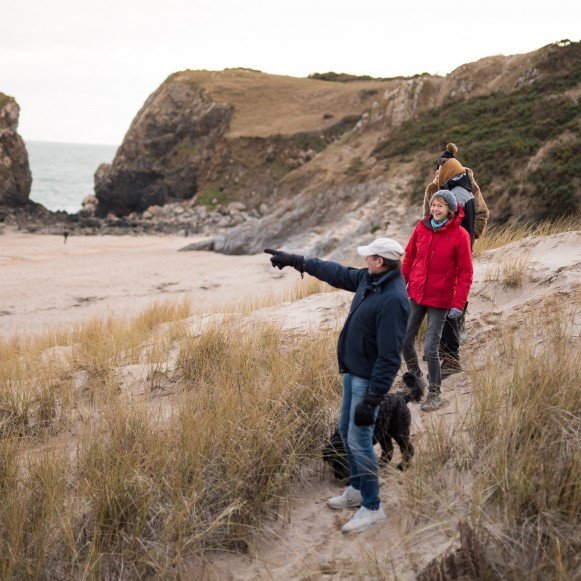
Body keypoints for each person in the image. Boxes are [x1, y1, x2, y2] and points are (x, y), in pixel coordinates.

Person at [265, 238, 409, 534]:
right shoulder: (370, 280)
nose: (364, 260)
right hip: (352, 375)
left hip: (368, 382)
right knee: (346, 433)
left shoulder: (393, 298)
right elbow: (336, 272)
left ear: (380, 261)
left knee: (359, 441)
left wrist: (373, 399)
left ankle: (372, 507)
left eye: (369, 256)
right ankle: (356, 490)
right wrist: (297, 260)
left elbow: (390, 355)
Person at [399, 190, 473, 412]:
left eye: (440, 206)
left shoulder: (460, 235)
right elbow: (409, 257)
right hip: (417, 293)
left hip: (441, 299)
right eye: (433, 205)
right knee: (404, 340)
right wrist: (400, 285)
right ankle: (416, 379)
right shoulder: (422, 227)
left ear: (450, 209)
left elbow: (466, 274)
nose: (435, 209)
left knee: (431, 348)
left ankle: (435, 394)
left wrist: (458, 304)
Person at [423, 143, 489, 375]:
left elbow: (481, 213)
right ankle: (440, 343)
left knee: (452, 294)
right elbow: (427, 215)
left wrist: (469, 239)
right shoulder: (434, 187)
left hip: (456, 246)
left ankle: (451, 345)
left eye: (440, 168)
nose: (437, 172)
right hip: (436, 247)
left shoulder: (468, 185)